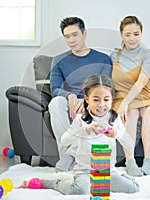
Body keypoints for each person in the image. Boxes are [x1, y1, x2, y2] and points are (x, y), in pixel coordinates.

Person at [19, 75, 139, 195]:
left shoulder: (114, 118)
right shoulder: (80, 119)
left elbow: (129, 144)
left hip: (107, 171)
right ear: (87, 99)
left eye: (106, 99)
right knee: (81, 190)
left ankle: (121, 176)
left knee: (133, 188)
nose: (102, 104)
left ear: (112, 99)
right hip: (84, 171)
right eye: (96, 99)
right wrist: (85, 130)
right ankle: (53, 183)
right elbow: (64, 141)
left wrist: (116, 133)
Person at [48, 17, 112, 172]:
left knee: (98, 106)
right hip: (70, 103)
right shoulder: (58, 60)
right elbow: (55, 89)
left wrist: (87, 102)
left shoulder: (103, 58)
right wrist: (69, 96)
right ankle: (66, 156)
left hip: (94, 101)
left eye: (75, 34)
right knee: (55, 103)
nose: (71, 40)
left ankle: (68, 160)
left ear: (84, 33)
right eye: (67, 36)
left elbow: (105, 88)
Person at [110, 16, 150, 176]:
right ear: (121, 35)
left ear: (141, 34)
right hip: (120, 97)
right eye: (128, 34)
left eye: (136, 34)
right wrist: (123, 102)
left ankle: (148, 161)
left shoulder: (148, 55)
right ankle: (130, 161)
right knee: (130, 112)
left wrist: (127, 101)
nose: (132, 38)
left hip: (142, 95)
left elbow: (141, 82)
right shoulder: (114, 56)